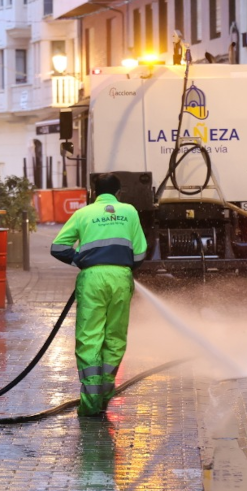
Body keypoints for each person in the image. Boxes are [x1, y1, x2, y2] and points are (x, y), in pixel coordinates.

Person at [50, 173, 148, 416]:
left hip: (92, 278)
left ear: (94, 193)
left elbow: (58, 247)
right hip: (121, 277)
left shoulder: (83, 213)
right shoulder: (130, 211)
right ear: (119, 192)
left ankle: (91, 402)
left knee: (89, 337)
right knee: (115, 336)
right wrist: (122, 268)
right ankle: (104, 394)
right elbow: (140, 253)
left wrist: (81, 261)